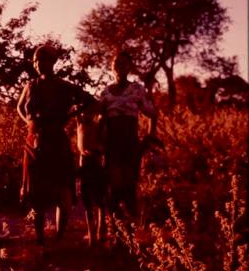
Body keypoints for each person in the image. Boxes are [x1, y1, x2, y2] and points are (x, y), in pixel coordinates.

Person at [17, 45, 96, 246]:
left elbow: (89, 101)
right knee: (36, 188)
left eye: (43, 59)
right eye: (36, 60)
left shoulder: (64, 86)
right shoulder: (31, 85)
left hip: (57, 139)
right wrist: (29, 122)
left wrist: (69, 116)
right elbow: (19, 107)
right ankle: (40, 238)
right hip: (35, 140)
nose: (39, 63)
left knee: (63, 187)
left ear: (53, 62)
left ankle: (59, 237)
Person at [99, 51, 157, 223]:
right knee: (114, 187)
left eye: (123, 63)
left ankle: (133, 231)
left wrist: (149, 136)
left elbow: (152, 113)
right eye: (116, 63)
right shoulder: (105, 92)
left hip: (131, 143)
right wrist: (99, 143)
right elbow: (101, 119)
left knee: (130, 187)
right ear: (111, 67)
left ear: (129, 67)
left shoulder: (136, 89)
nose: (119, 67)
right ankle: (116, 231)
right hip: (112, 144)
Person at [76, 107, 107, 247]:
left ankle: (101, 230)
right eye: (84, 112)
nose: (86, 114)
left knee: (100, 200)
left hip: (96, 163)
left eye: (89, 111)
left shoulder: (98, 125)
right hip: (84, 165)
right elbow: (77, 110)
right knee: (87, 201)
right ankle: (91, 235)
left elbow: (102, 145)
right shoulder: (79, 123)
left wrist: (97, 149)